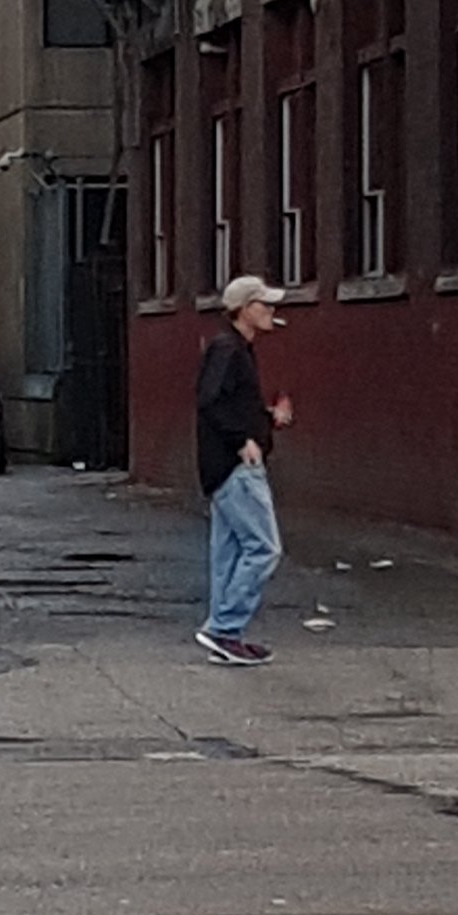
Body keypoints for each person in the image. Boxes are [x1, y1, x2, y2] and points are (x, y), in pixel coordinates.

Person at [195, 274, 294, 664]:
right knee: (264, 548)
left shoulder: (235, 349)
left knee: (229, 552)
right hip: (236, 466)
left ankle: (225, 636)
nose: (271, 310)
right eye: (263, 304)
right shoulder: (228, 350)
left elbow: (227, 405)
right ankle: (223, 627)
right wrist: (243, 440)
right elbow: (211, 401)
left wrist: (267, 419)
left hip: (223, 466)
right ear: (242, 310)